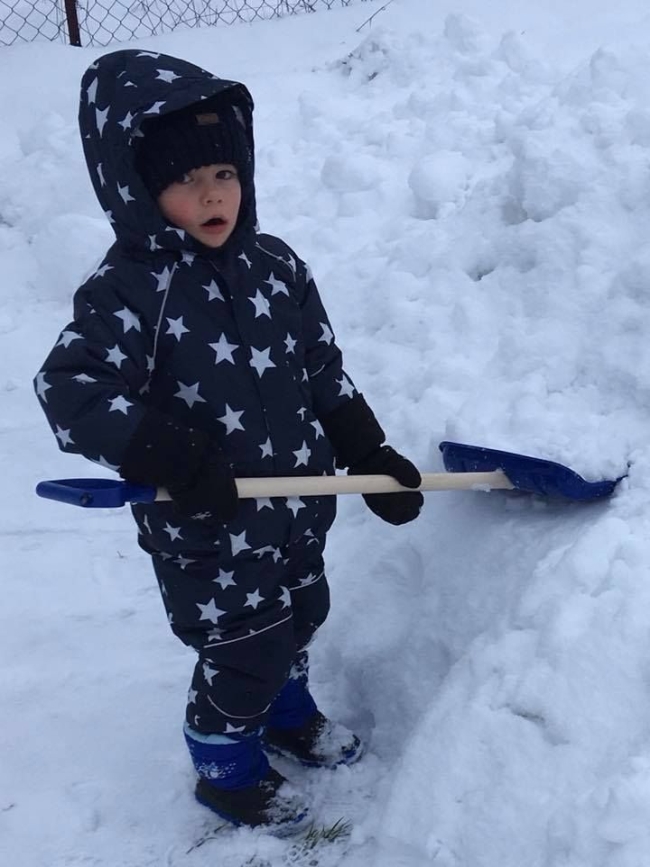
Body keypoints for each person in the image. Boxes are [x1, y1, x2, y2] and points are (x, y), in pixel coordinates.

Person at [34, 49, 423, 834]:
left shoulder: (277, 267)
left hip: (297, 509)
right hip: (207, 524)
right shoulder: (129, 292)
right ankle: (226, 767)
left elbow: (320, 367)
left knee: (303, 611)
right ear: (137, 189)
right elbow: (69, 389)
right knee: (244, 647)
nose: (212, 193)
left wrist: (368, 451)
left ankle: (285, 713)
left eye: (224, 171)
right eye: (184, 179)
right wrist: (171, 453)